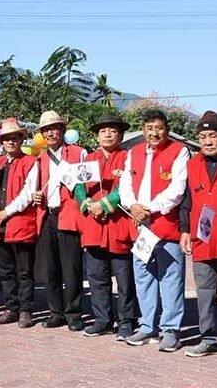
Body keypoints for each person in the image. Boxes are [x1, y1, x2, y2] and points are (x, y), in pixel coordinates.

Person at [119, 109, 190, 351]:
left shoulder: (179, 151)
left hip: (166, 226)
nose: (154, 133)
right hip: (140, 227)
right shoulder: (134, 152)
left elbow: (177, 190)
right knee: (144, 278)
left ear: (166, 129)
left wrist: (149, 208)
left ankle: (170, 329)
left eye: (158, 128)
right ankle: (147, 325)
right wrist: (133, 206)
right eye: (149, 128)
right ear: (143, 129)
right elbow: (125, 185)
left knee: (171, 279)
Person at [72, 114, 139, 339]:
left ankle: (127, 321)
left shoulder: (129, 158)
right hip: (93, 227)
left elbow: (127, 188)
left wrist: (105, 204)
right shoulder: (89, 159)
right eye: (103, 131)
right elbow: (79, 186)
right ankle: (102, 319)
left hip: (119, 226)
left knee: (124, 279)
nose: (108, 134)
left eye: (112, 130)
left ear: (120, 135)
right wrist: (87, 203)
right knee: (97, 278)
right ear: (97, 135)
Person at [180, 111, 217, 360]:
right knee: (204, 292)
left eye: (212, 135)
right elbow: (185, 201)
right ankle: (209, 339)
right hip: (201, 239)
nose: (207, 141)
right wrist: (184, 230)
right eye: (202, 137)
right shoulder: (192, 165)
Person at [0, 118, 38, 328]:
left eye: (15, 138)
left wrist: (7, 212)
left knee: (24, 270)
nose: (11, 142)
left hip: (20, 223)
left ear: (21, 139)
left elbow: (28, 194)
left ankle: (26, 309)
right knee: (5, 270)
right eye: (7, 139)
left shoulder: (31, 162)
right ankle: (11, 307)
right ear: (1, 141)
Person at [31, 110, 87, 331]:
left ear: (62, 130)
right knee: (51, 268)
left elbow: (86, 183)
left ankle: (74, 314)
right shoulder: (40, 158)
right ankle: (56, 312)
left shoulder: (78, 153)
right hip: (47, 215)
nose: (50, 133)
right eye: (46, 130)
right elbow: (35, 185)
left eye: (54, 128)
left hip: (70, 215)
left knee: (71, 267)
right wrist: (36, 194)